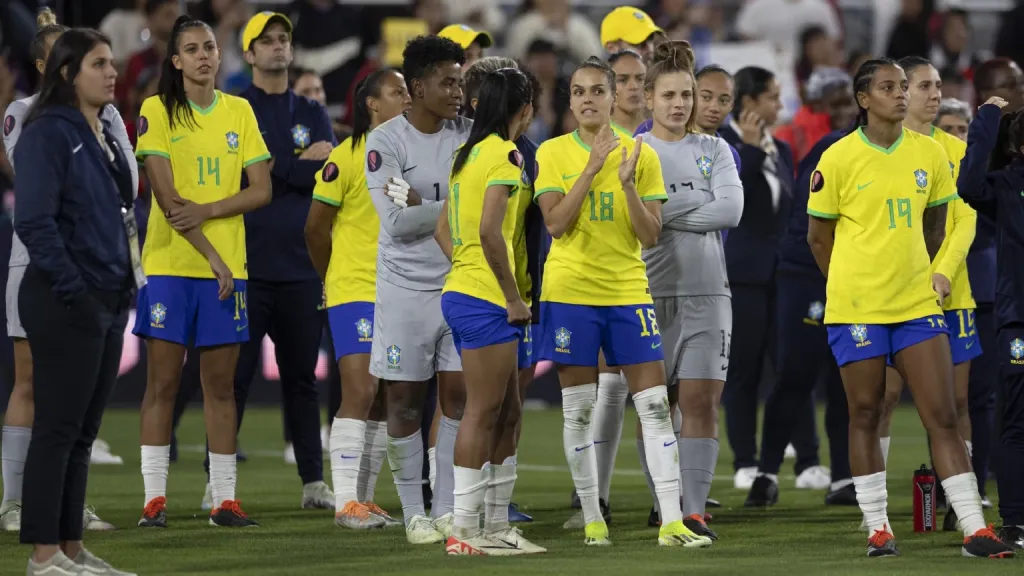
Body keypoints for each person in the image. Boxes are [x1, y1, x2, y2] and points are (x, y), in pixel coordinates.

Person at [806, 57, 1011, 558]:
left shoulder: (932, 154)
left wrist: (917, 273)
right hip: (857, 309)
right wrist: (850, 287)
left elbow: (938, 226)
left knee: (941, 414)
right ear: (863, 99)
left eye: (903, 86)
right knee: (865, 411)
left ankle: (973, 529)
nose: (900, 95)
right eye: (888, 87)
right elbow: (818, 237)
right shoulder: (837, 157)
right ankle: (878, 527)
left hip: (916, 305)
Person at [534, 55, 708, 549]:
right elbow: (555, 224)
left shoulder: (642, 154)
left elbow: (650, 235)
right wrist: (592, 168)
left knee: (654, 408)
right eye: (578, 92)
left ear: (614, 98)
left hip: (629, 292)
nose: (587, 99)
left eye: (597, 91)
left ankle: (672, 522)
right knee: (578, 412)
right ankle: (593, 518)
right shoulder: (551, 153)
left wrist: (628, 183)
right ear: (570, 101)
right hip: (570, 294)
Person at [195, 10, 336, 511]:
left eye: (284, 39)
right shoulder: (233, 108)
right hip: (246, 266)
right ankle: (219, 479)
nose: (278, 47)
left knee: (302, 378)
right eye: (267, 41)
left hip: (300, 267)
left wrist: (279, 170)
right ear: (249, 53)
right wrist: (297, 167)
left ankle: (313, 482)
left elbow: (327, 174)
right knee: (233, 380)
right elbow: (249, 176)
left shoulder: (313, 109)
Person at [134, 15, 271, 529]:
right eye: (191, 49)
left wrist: (211, 213)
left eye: (209, 47)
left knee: (221, 387)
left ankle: (225, 501)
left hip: (227, 267)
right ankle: (154, 501)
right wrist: (213, 255)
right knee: (163, 385)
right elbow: (167, 199)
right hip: (173, 264)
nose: (203, 56)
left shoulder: (239, 111)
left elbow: (262, 189)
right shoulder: (157, 110)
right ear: (176, 61)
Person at [13, 27, 139, 576]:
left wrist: (121, 286)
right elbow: (34, 223)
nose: (112, 72)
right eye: (99, 63)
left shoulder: (103, 131)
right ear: (67, 73)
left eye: (112, 62)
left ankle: (69, 546)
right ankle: (43, 556)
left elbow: (119, 216)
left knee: (83, 433)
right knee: (58, 430)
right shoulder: (47, 132)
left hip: (107, 296)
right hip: (65, 298)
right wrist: (78, 293)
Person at [362, 35, 469, 545]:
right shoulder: (386, 142)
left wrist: (425, 201)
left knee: (456, 399)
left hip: (459, 284)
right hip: (405, 290)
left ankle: (444, 508)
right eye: (447, 82)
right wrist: (453, 207)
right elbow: (398, 223)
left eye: (461, 81)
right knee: (404, 400)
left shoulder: (469, 135)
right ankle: (412, 512)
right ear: (419, 87)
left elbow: (419, 212)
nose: (457, 91)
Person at [434, 67, 545, 556]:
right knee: (483, 412)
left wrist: (466, 274)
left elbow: (444, 230)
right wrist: (511, 296)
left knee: (508, 411)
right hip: (489, 300)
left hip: (469, 291)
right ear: (524, 109)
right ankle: (464, 529)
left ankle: (495, 524)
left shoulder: (468, 155)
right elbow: (488, 232)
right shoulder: (505, 155)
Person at [640, 40, 742, 542]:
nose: (680, 104)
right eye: (670, 96)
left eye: (687, 95)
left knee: (701, 402)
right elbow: (638, 230)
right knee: (657, 406)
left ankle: (694, 510)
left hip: (709, 295)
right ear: (648, 99)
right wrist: (683, 216)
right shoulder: (635, 152)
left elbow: (731, 212)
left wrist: (665, 215)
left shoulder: (716, 149)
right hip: (647, 294)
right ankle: (665, 507)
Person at [877, 56, 979, 532]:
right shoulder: (876, 150)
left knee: (955, 404)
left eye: (938, 85)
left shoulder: (954, 152)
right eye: (924, 86)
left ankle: (962, 504)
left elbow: (965, 222)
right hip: (889, 296)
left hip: (949, 295)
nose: (934, 94)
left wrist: (941, 274)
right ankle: (874, 510)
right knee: (880, 399)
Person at [746, 68, 856, 509]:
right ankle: (766, 473)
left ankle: (845, 479)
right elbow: (807, 225)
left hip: (853, 281)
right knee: (796, 374)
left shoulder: (899, 156)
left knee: (847, 381)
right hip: (809, 274)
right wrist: (821, 273)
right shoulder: (832, 150)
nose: (846, 110)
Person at [306, 68, 410, 529]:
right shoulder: (347, 158)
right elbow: (314, 227)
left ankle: (363, 500)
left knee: (384, 395)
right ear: (371, 103)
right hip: (355, 289)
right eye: (398, 91)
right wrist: (332, 276)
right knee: (360, 390)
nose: (407, 97)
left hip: (398, 290)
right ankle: (345, 502)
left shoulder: (407, 157)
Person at [718, 67, 819, 491]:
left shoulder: (782, 147)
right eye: (773, 97)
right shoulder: (725, 145)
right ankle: (746, 460)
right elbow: (733, 191)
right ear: (749, 103)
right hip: (742, 274)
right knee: (743, 370)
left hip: (783, 274)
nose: (780, 105)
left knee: (793, 367)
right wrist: (748, 144)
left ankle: (809, 459)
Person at [957, 94, 1024, 550]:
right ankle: (1016, 522)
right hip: (1019, 324)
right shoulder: (1005, 185)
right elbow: (969, 184)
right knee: (1017, 418)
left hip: (1014, 319)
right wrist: (984, 122)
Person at [609, 50, 647, 136]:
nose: (634, 86)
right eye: (622, 80)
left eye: (640, 79)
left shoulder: (662, 132)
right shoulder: (598, 137)